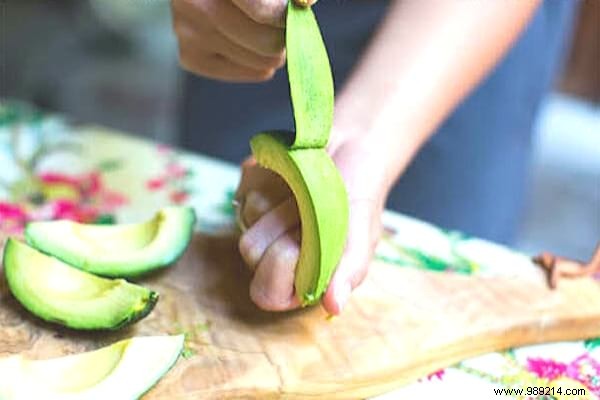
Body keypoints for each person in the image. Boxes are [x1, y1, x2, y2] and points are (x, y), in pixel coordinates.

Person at [170, 0, 577, 314]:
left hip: (457, 27)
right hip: (247, 41)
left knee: (433, 296)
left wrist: (367, 134)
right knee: (222, 245)